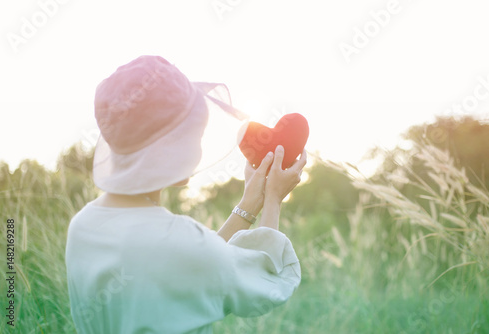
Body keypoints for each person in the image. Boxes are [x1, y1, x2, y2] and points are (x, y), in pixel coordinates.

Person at [65, 55, 307, 334]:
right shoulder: (178, 242)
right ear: (166, 141)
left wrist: (249, 204)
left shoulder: (83, 226)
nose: (198, 147)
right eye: (194, 133)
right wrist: (274, 199)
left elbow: (194, 263)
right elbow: (266, 281)